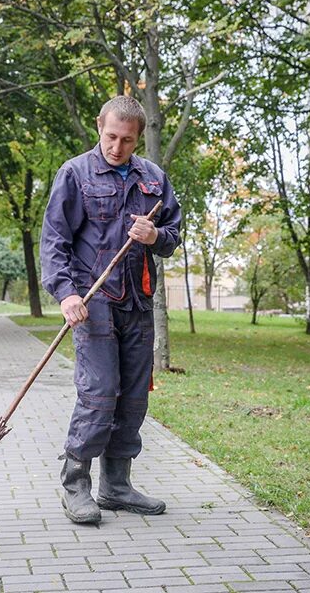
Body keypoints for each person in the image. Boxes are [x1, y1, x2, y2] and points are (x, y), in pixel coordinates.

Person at [40, 95, 182, 524]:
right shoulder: (75, 173)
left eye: (128, 140)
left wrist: (154, 234)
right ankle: (75, 485)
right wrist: (66, 294)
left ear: (138, 138)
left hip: (138, 304)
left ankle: (116, 486)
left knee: (133, 400)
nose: (117, 147)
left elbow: (173, 238)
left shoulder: (154, 179)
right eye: (111, 136)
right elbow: (54, 241)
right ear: (100, 125)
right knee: (99, 395)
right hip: (93, 302)